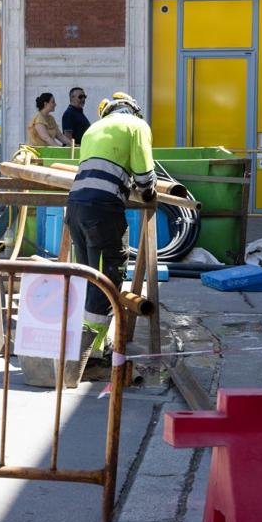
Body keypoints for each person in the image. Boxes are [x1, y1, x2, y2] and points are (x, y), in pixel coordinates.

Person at [66, 92, 155, 364]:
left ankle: (81, 342)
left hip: (76, 207)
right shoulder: (137, 126)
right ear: (133, 110)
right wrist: (148, 190)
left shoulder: (93, 129)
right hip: (103, 210)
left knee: (87, 275)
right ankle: (90, 353)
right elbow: (143, 175)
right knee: (107, 278)